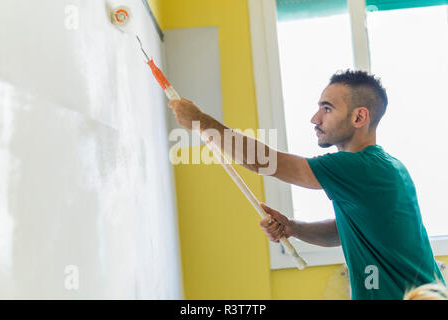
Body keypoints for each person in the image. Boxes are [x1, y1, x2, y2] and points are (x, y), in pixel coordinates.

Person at [168, 69, 445, 300]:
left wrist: (201, 121)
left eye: (327, 109)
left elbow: (264, 162)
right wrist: (293, 228)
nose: (315, 119)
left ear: (359, 117)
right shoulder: (384, 168)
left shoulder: (361, 168)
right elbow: (346, 231)